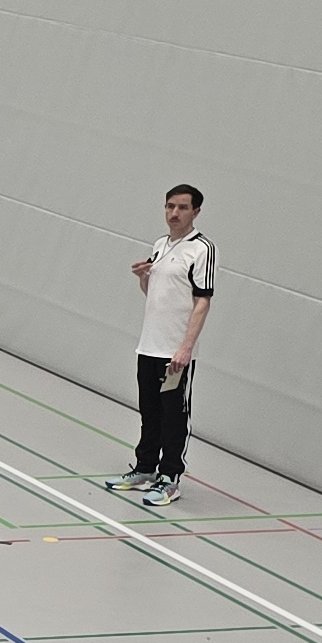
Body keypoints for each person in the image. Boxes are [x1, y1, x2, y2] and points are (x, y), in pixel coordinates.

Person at [109, 183, 214, 507]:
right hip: (149, 346)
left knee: (173, 417)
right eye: (170, 206)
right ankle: (145, 469)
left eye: (182, 207)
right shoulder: (161, 245)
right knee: (150, 412)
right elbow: (157, 296)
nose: (174, 213)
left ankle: (170, 478)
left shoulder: (201, 249)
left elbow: (202, 301)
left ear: (195, 212)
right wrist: (144, 278)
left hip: (175, 353)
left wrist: (185, 348)